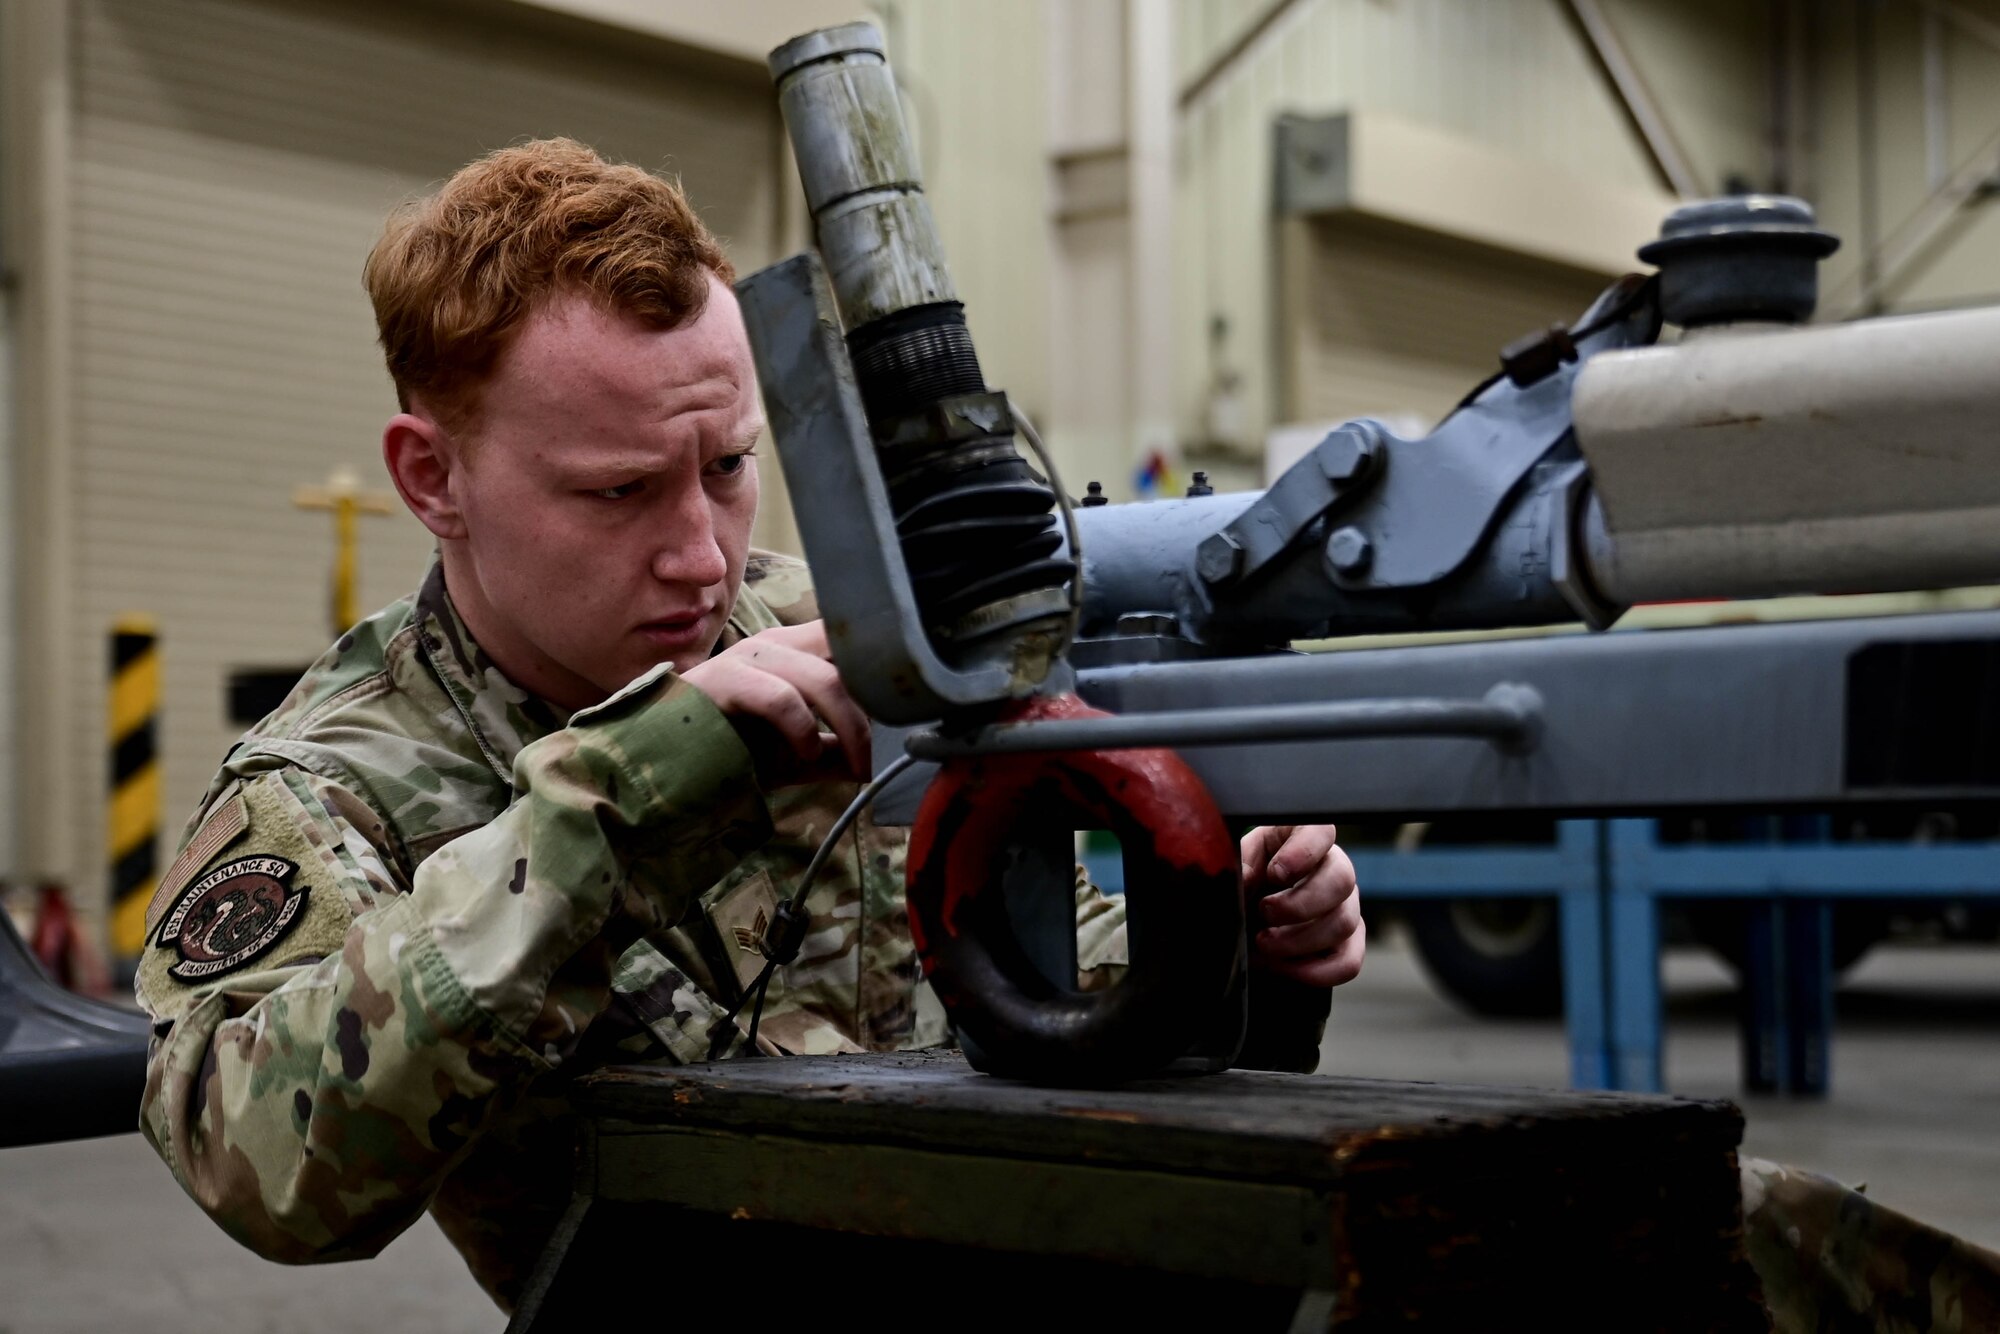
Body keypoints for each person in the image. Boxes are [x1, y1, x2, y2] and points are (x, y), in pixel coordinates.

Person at [131, 138, 1366, 1313]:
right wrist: (612, 805)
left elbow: (1032, 960)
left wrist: (1228, 946)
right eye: (617, 489)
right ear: (431, 478)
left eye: (726, 465)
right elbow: (263, 1167)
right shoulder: (341, 779)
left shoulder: (827, 632)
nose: (699, 555)